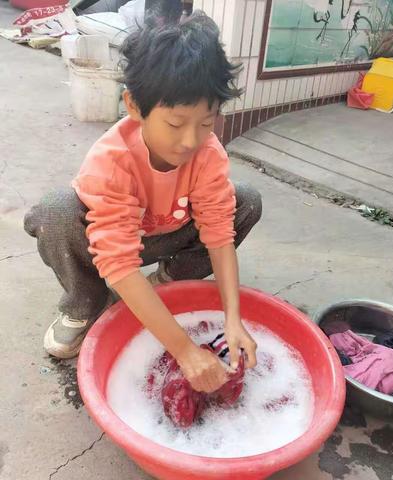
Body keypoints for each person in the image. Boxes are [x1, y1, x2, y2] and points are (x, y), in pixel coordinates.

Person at [24, 11, 262, 395]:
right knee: (56, 211)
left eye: (207, 122)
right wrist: (184, 350)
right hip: (105, 246)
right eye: (175, 123)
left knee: (246, 200)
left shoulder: (207, 154)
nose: (190, 141)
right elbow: (117, 261)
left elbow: (218, 234)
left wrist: (233, 320)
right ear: (134, 105)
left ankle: (168, 279)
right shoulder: (111, 161)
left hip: (168, 234)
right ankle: (85, 304)